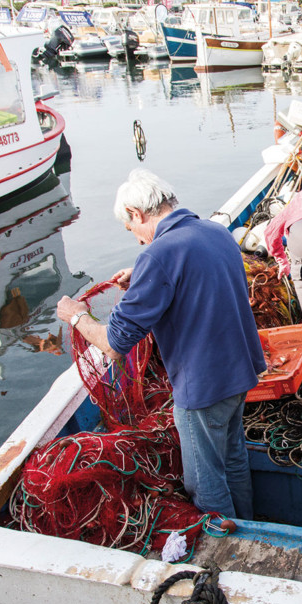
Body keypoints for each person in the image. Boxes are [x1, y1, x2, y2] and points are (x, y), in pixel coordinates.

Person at [56, 169, 265, 520]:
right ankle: (248, 524)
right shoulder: (215, 232)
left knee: (204, 481)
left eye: (131, 229)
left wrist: (77, 316)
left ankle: (228, 547)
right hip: (241, 371)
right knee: (233, 461)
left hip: (203, 389)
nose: (138, 241)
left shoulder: (158, 255)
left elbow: (113, 343)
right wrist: (142, 274)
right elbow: (202, 278)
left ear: (137, 214)